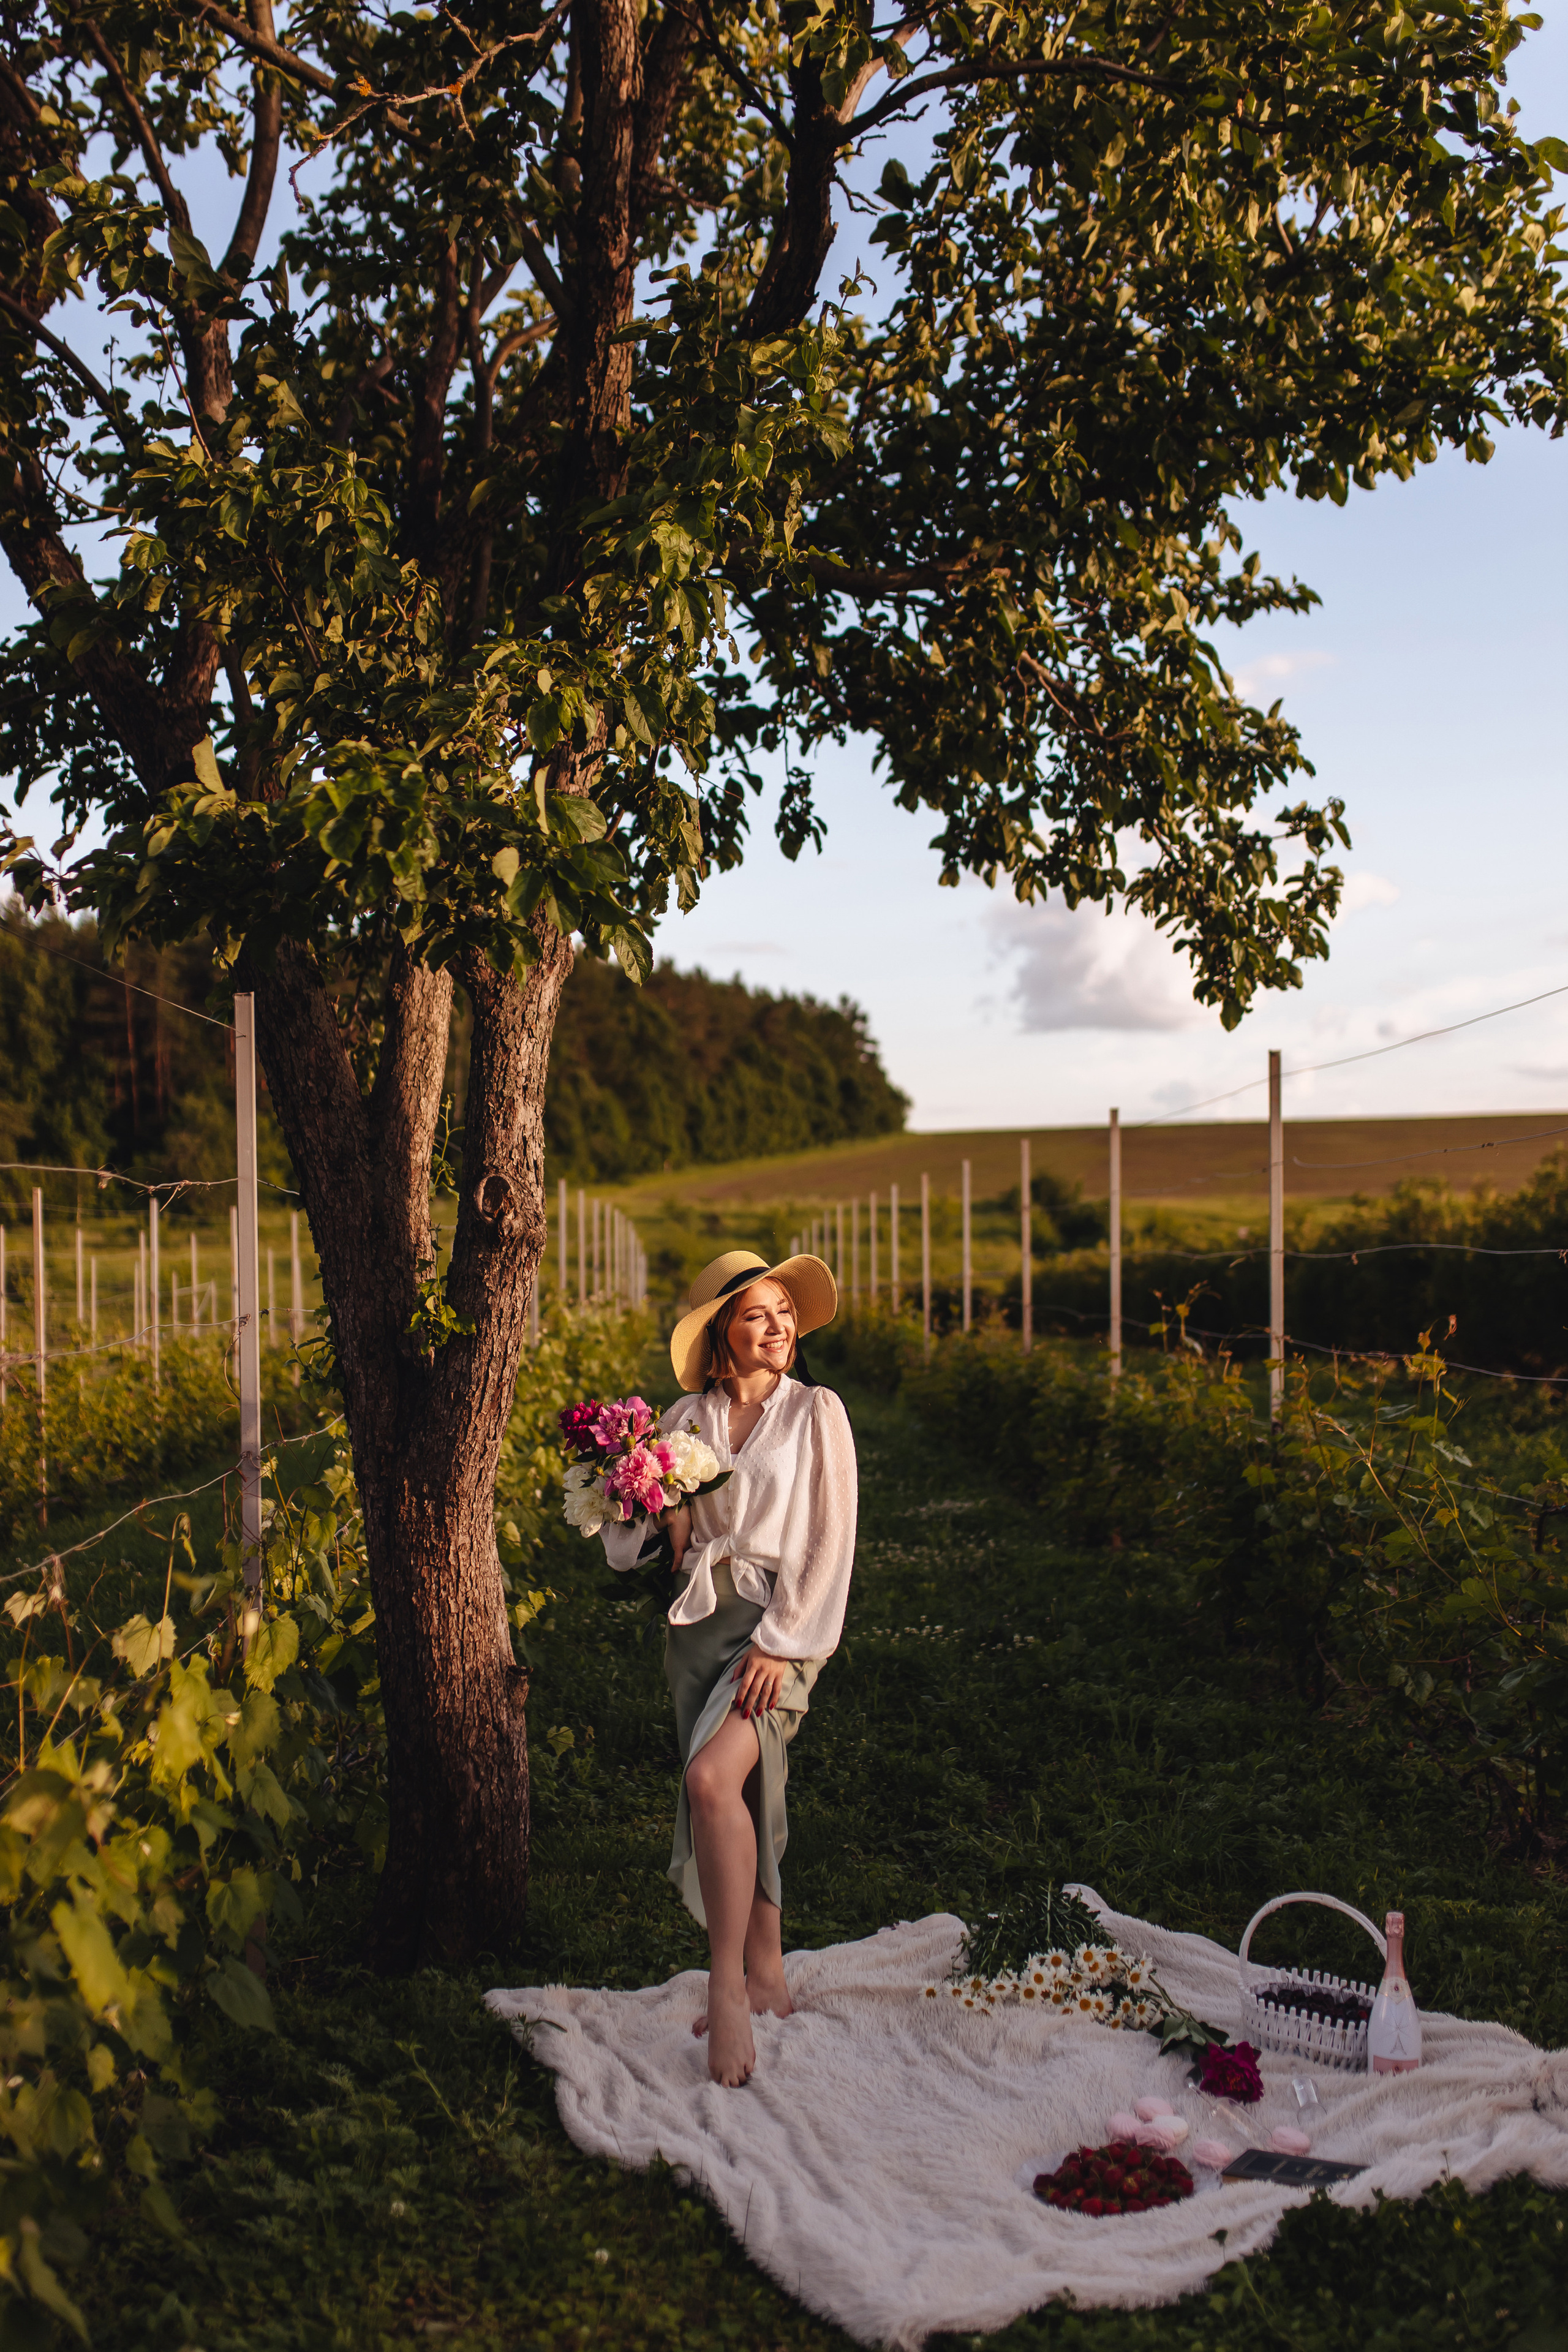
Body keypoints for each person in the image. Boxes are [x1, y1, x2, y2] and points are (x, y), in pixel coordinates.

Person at [597, 1248, 857, 2087]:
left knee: (713, 1782)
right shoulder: (680, 1421)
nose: (779, 1326)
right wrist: (641, 1504)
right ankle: (770, 1969)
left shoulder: (817, 1411)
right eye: (758, 1314)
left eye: (786, 1312)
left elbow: (828, 1540)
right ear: (722, 1335)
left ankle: (731, 1989)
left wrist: (784, 1644)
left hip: (780, 1627)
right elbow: (627, 1544)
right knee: (749, 1792)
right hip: (699, 1628)